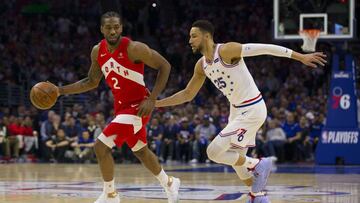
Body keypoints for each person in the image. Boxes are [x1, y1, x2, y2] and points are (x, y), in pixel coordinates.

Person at [156, 20, 326, 203]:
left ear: (207, 36)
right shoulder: (201, 65)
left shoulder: (226, 50)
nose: (190, 40)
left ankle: (259, 163)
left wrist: (300, 57)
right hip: (236, 111)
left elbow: (265, 48)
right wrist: (157, 104)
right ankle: (258, 196)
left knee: (213, 152)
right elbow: (187, 94)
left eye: (194, 36)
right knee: (238, 163)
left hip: (252, 108)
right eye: (190, 36)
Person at [53, 11, 180, 203]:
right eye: (108, 27)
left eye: (116, 27)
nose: (113, 31)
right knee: (141, 151)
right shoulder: (98, 51)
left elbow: (165, 66)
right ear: (102, 29)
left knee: (100, 147)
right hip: (121, 108)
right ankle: (169, 182)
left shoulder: (134, 48)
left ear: (121, 28)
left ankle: (111, 194)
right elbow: (91, 81)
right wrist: (60, 91)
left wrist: (152, 99)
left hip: (139, 107)